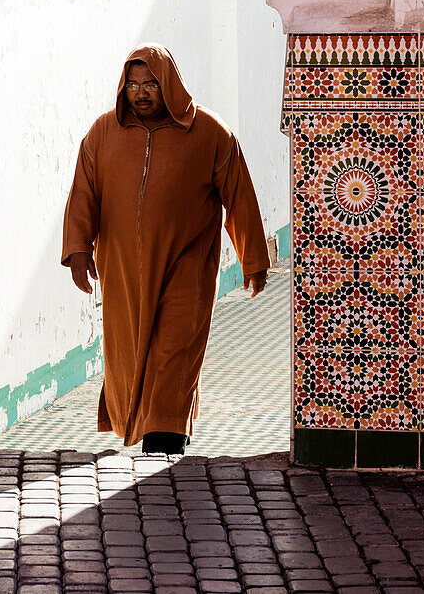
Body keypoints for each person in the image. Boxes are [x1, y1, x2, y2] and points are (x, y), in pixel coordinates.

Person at [61, 43, 269, 455]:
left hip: (185, 268)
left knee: (175, 352)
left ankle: (167, 439)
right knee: (128, 355)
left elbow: (239, 195)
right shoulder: (102, 134)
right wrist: (78, 251)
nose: (142, 93)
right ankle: (139, 427)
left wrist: (253, 258)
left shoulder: (209, 133)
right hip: (122, 274)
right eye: (134, 85)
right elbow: (84, 192)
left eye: (151, 84)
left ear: (169, 84)